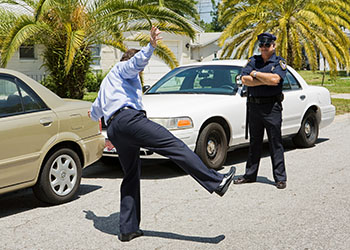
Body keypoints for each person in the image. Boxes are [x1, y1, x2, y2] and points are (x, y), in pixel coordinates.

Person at [89, 26, 235, 242]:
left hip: (115, 128)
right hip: (130, 120)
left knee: (130, 175)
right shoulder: (123, 69)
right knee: (175, 146)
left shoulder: (107, 83)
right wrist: (150, 47)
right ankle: (215, 181)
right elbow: (134, 64)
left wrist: (91, 216)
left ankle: (128, 229)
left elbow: (94, 113)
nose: (139, 74)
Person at [234, 32, 287, 189]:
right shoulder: (253, 60)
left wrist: (255, 74)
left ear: (273, 46)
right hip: (254, 107)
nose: (263, 48)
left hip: (272, 108)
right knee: (254, 143)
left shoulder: (279, 62)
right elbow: (244, 80)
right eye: (261, 45)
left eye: (267, 45)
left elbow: (275, 80)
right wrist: (265, 79)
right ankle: (250, 175)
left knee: (275, 143)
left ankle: (280, 178)